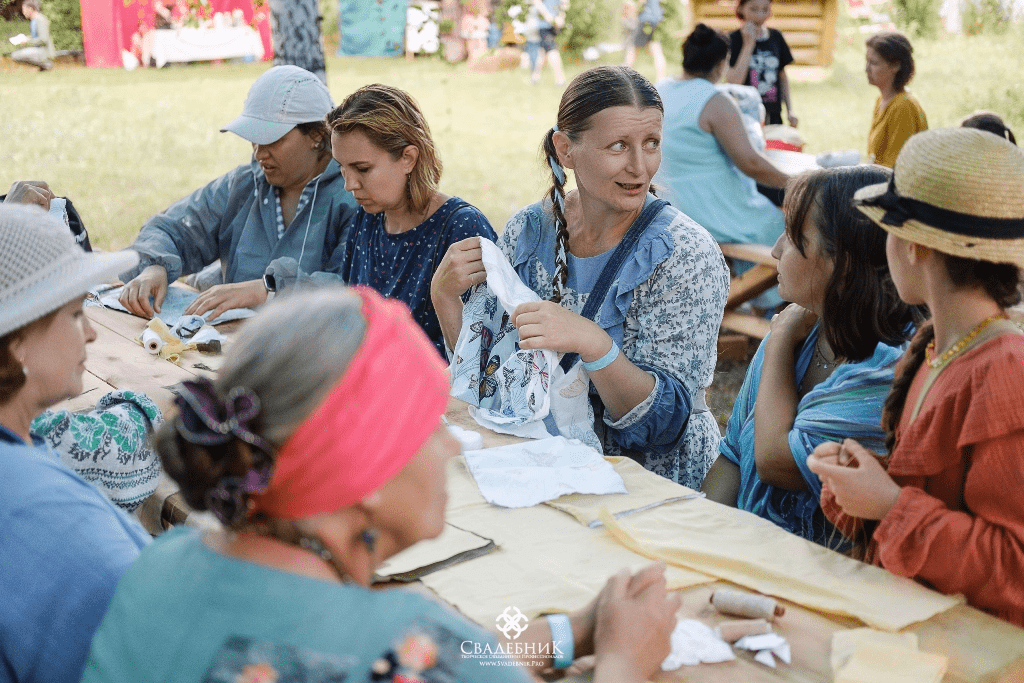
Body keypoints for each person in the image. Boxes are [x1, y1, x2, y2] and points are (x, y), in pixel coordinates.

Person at [81, 286, 681, 683]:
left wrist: (567, 633)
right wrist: (625, 661)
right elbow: (421, 655)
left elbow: (433, 656)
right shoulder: (403, 639)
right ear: (362, 470)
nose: (451, 445)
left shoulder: (163, 563)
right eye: (430, 426)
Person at [432, 66, 730, 488]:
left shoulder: (684, 254)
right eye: (618, 146)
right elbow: (492, 381)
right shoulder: (528, 232)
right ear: (565, 149)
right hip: (540, 467)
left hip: (648, 485)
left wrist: (594, 344)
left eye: (651, 144)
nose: (640, 166)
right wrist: (444, 297)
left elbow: (664, 428)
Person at [807, 128, 1024, 627]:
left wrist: (888, 504)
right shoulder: (932, 347)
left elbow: (1012, 566)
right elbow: (935, 494)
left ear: (914, 247)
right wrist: (859, 482)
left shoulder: (1005, 371)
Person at [702, 166, 916, 548]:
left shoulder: (888, 368)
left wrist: (781, 338)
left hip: (831, 578)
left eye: (795, 236)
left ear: (843, 262)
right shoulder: (803, 332)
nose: (776, 250)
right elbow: (734, 453)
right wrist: (697, 540)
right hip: (752, 553)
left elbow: (775, 462)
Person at [0, 204, 150, 683]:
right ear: (17, 342)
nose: (89, 331)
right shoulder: (38, 509)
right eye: (74, 313)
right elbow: (147, 647)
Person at [118, 65, 358, 322]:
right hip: (232, 345)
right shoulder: (242, 186)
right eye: (254, 139)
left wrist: (268, 289)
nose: (259, 152)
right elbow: (170, 229)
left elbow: (355, 289)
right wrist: (154, 267)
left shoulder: (355, 196)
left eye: (271, 140)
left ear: (317, 136)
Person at [308, 84, 498, 354]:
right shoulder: (366, 219)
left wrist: (444, 297)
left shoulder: (461, 227)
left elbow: (487, 365)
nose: (349, 185)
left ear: (408, 158)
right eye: (342, 168)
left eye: (362, 168)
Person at [656, 24, 790, 247]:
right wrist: (796, 183)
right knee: (786, 228)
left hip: (669, 206)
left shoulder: (660, 89)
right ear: (721, 64)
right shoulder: (714, 101)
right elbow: (750, 163)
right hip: (711, 211)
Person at [725, 0, 796, 127]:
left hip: (772, 113)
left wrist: (790, 110)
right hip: (744, 114)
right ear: (741, 9)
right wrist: (748, 44)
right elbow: (733, 81)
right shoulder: (732, 40)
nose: (759, 15)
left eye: (765, 9)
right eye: (753, 9)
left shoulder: (776, 37)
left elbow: (782, 76)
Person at [864, 31, 927, 168]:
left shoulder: (903, 106)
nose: (866, 69)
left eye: (874, 63)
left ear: (895, 66)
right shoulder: (880, 101)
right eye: (866, 61)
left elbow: (895, 168)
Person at [623, 0, 667, 84]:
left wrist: (636, 9)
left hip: (645, 22)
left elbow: (641, 2)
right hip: (656, 22)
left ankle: (623, 77)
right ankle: (661, 79)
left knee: (631, 49)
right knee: (656, 50)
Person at [530, 0, 569, 86]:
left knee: (548, 51)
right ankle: (536, 77)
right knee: (547, 51)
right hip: (548, 24)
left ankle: (559, 79)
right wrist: (555, 18)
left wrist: (559, 17)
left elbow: (565, 3)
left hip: (550, 25)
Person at [11, 0, 55, 71]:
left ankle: (46, 64)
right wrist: (26, 38)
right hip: (39, 50)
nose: (23, 12)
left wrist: (28, 41)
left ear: (30, 9)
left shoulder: (41, 20)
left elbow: (43, 39)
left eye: (24, 9)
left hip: (44, 51)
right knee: (15, 55)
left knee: (16, 55)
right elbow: (37, 36)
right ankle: (44, 65)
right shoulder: (33, 21)